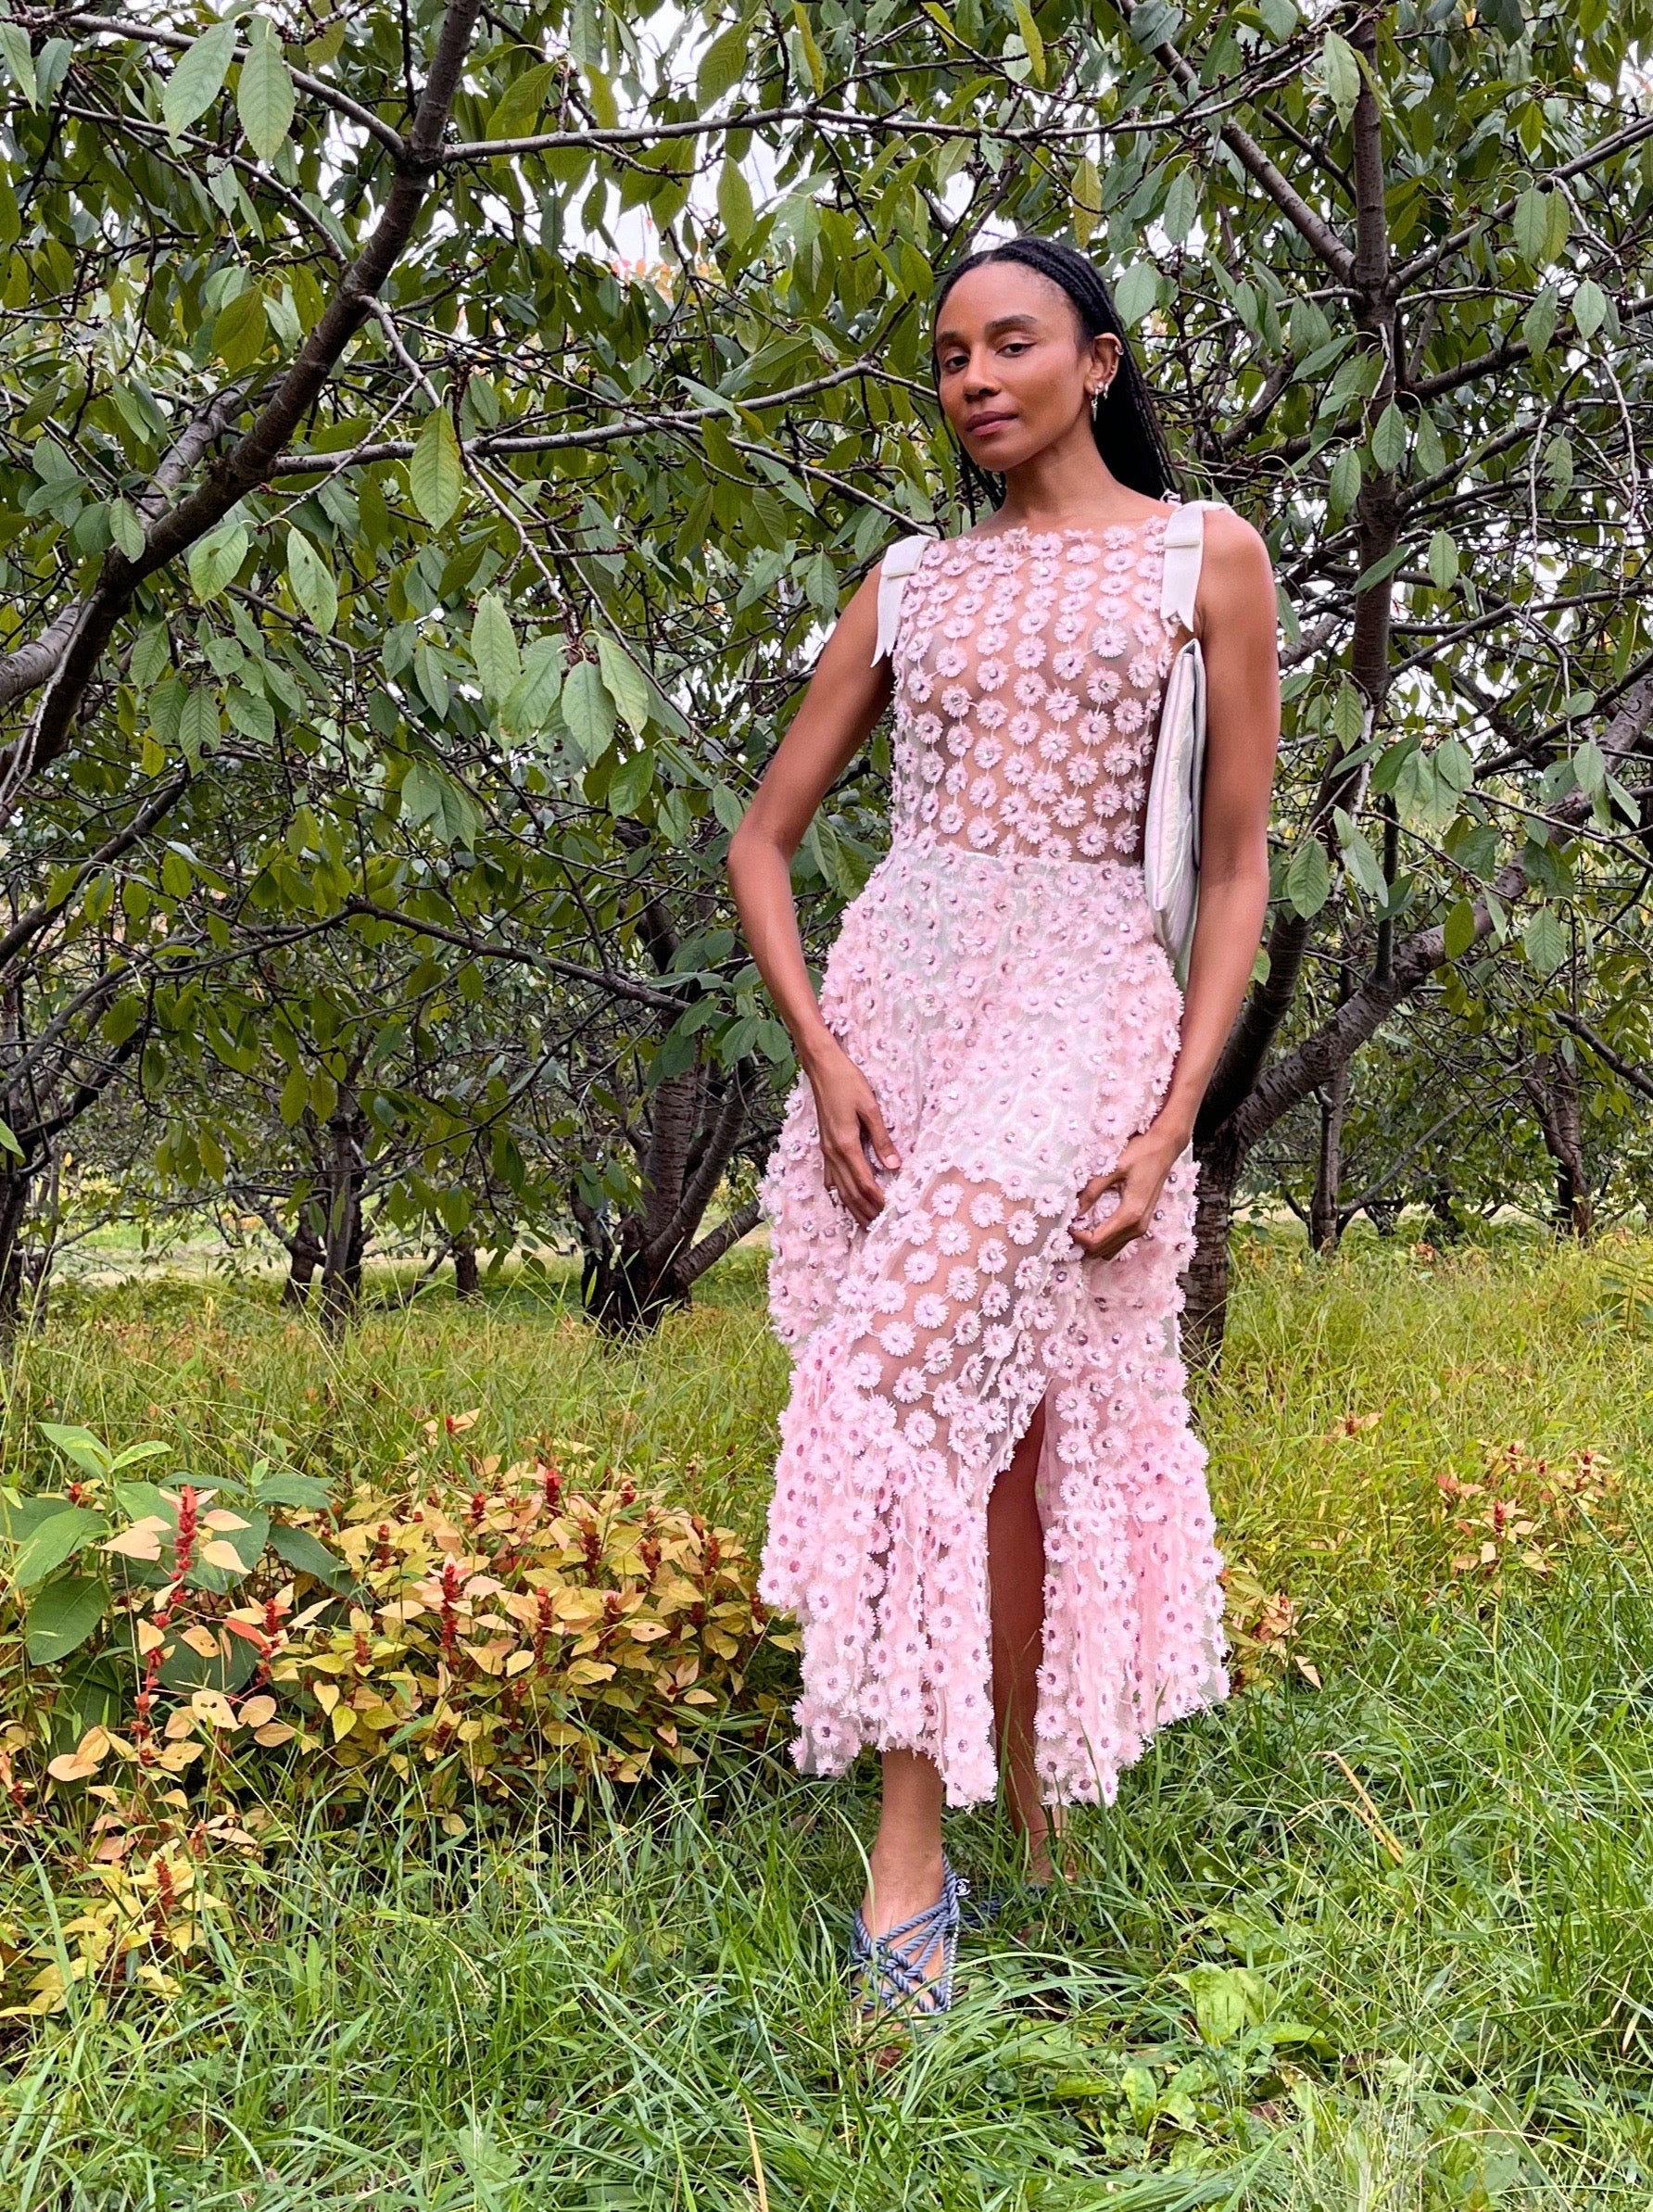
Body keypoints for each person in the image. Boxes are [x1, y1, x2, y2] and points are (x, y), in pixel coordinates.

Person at [726, 234, 1281, 2017]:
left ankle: (911, 1856)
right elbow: (765, 838)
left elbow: (1231, 860)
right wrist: (821, 1050)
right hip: (910, 997)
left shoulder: (1209, 559)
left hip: (1082, 1006)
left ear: (1100, 360)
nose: (972, 376)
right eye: (949, 353)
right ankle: (1023, 1818)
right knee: (1002, 1424)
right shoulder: (910, 582)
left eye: (1012, 342)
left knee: (902, 1373)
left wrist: (1177, 1107)